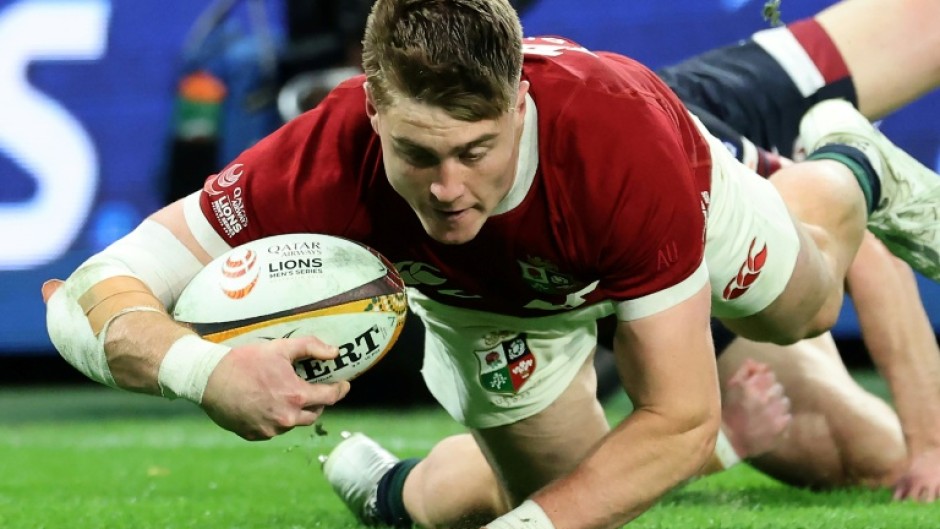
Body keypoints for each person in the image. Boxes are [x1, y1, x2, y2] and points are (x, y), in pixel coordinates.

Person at [41, 1, 940, 529]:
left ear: (519, 100)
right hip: (488, 307)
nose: (448, 190)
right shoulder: (318, 157)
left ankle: (845, 162)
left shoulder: (617, 140)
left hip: (681, 206)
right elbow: (86, 297)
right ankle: (391, 487)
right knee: (570, 487)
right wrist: (205, 369)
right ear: (371, 109)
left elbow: (677, 418)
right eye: (417, 155)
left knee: (804, 310)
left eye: (476, 149)